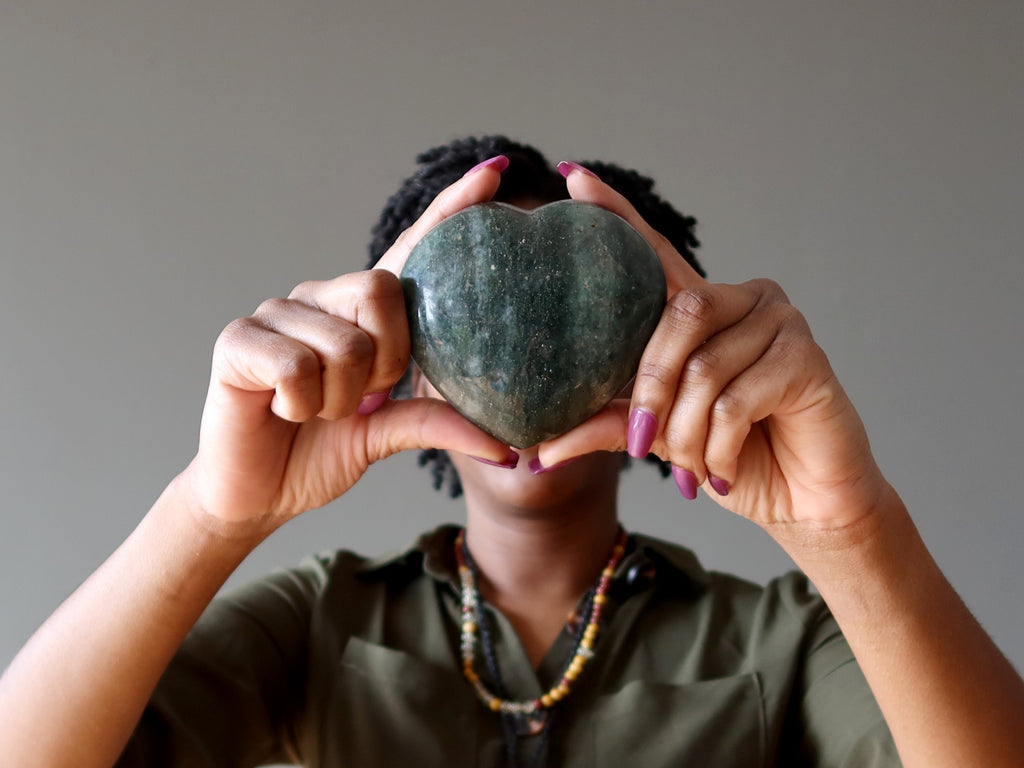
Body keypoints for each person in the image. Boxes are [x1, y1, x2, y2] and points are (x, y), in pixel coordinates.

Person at [0, 135, 1022, 768]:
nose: (525, 349)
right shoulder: (315, 622)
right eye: (477, 317)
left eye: (576, 319)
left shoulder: (783, 643)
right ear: (397, 353)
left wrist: (851, 529)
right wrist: (211, 514)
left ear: (662, 348)